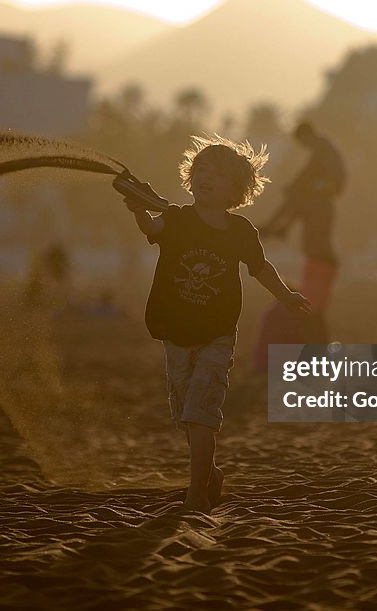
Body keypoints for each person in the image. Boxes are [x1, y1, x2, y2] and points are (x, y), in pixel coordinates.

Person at [120, 135, 311, 513]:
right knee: (187, 419)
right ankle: (210, 473)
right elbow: (151, 229)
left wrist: (286, 296)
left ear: (236, 189)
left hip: (216, 336)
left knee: (201, 414)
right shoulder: (176, 219)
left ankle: (195, 494)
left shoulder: (240, 232)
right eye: (199, 170)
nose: (204, 177)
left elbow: (261, 268)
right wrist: (138, 209)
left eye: (216, 174)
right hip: (174, 334)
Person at [261, 121, 346, 265]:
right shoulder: (322, 146)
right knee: (297, 199)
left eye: (301, 141)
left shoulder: (322, 147)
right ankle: (279, 228)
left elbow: (309, 173)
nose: (301, 145)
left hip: (326, 188)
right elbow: (309, 173)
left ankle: (275, 228)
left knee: (296, 197)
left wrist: (294, 186)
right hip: (323, 189)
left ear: (306, 135)